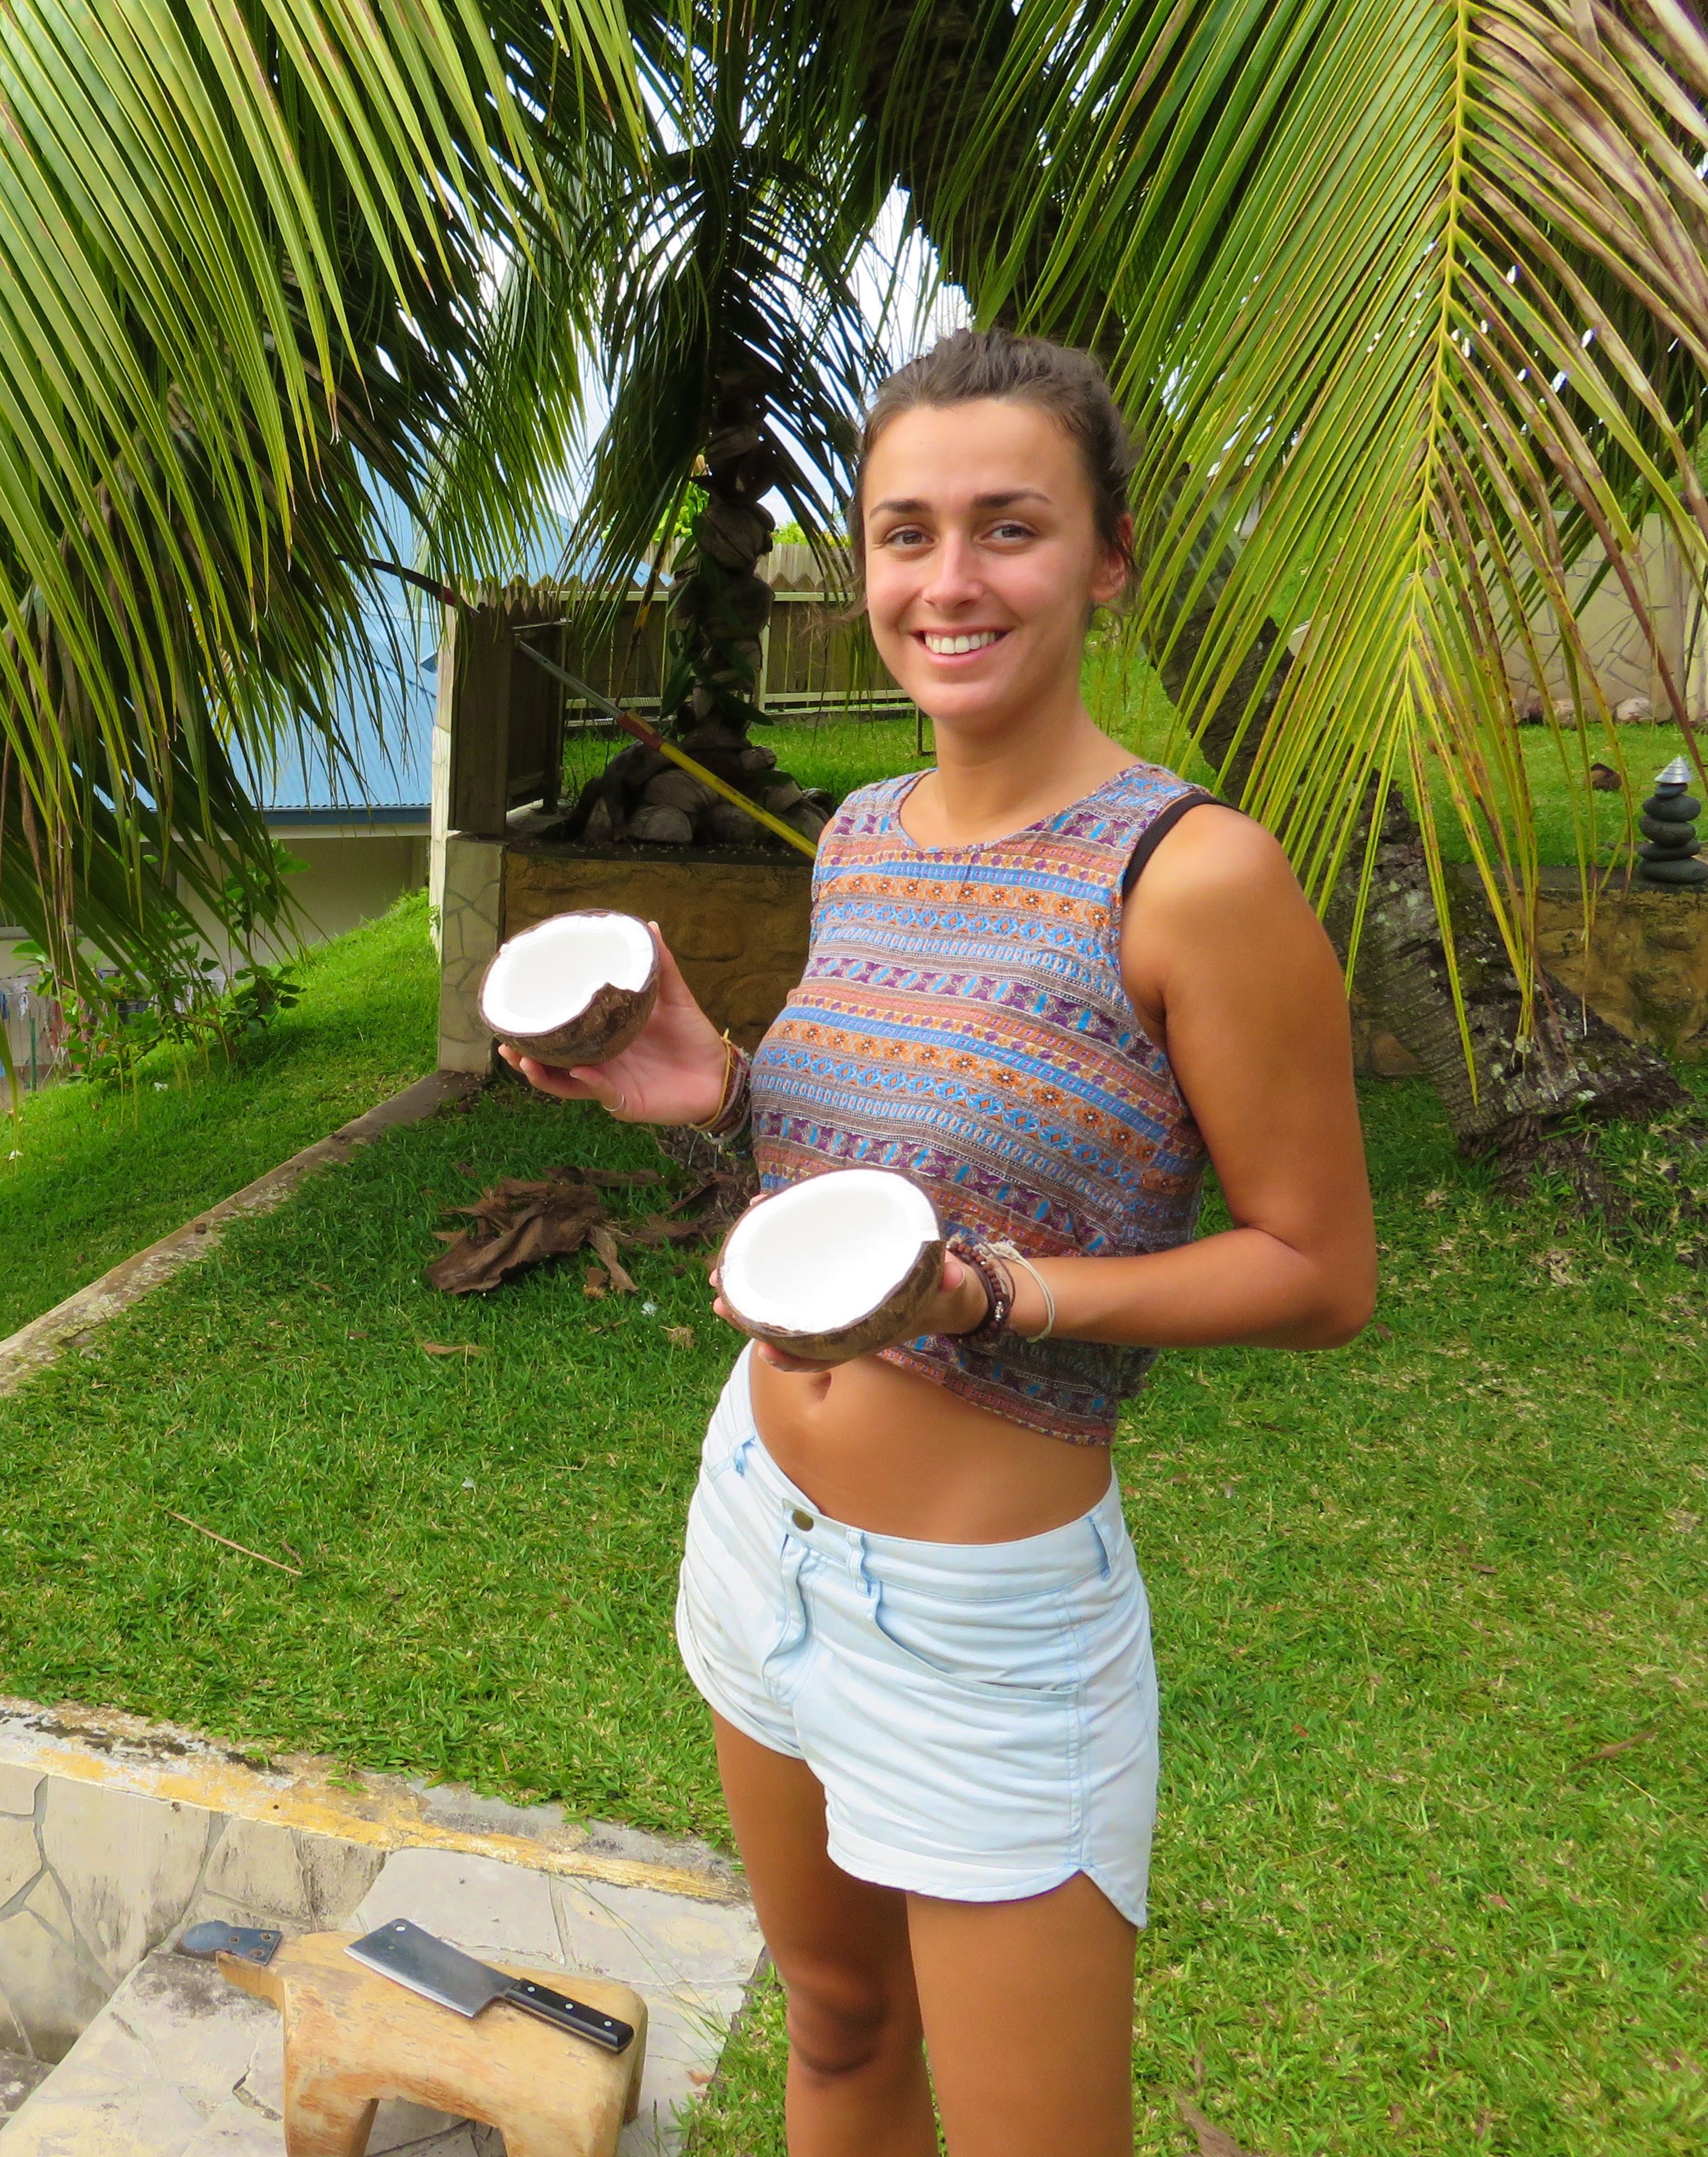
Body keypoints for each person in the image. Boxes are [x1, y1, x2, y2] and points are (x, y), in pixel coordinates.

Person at [507, 331, 1377, 2156]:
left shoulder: (1193, 875)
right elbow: (870, 1167)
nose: (949, 581)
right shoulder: (864, 836)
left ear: (1108, 557)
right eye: (907, 534)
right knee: (836, 2030)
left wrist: (1007, 1297)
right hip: (762, 1524)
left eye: (1009, 528)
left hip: (985, 1626)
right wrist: (720, 1090)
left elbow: (1318, 1271)